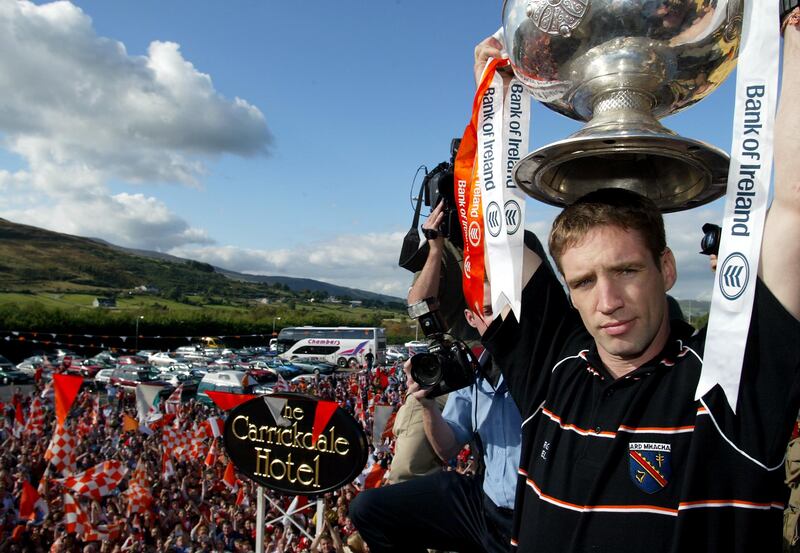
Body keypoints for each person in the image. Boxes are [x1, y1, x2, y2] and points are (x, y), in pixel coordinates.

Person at [474, 13, 800, 552]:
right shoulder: (555, 369)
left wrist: (792, 30)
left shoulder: (725, 384)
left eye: (626, 270)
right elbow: (496, 230)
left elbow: (792, 210)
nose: (608, 302)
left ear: (665, 270)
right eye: (582, 282)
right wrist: (493, 103)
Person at [350, 201, 546, 553]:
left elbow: (543, 298)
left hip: (510, 366)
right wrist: (436, 247)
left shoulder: (521, 241)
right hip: (457, 368)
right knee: (397, 478)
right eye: (485, 311)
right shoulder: (442, 248)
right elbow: (418, 304)